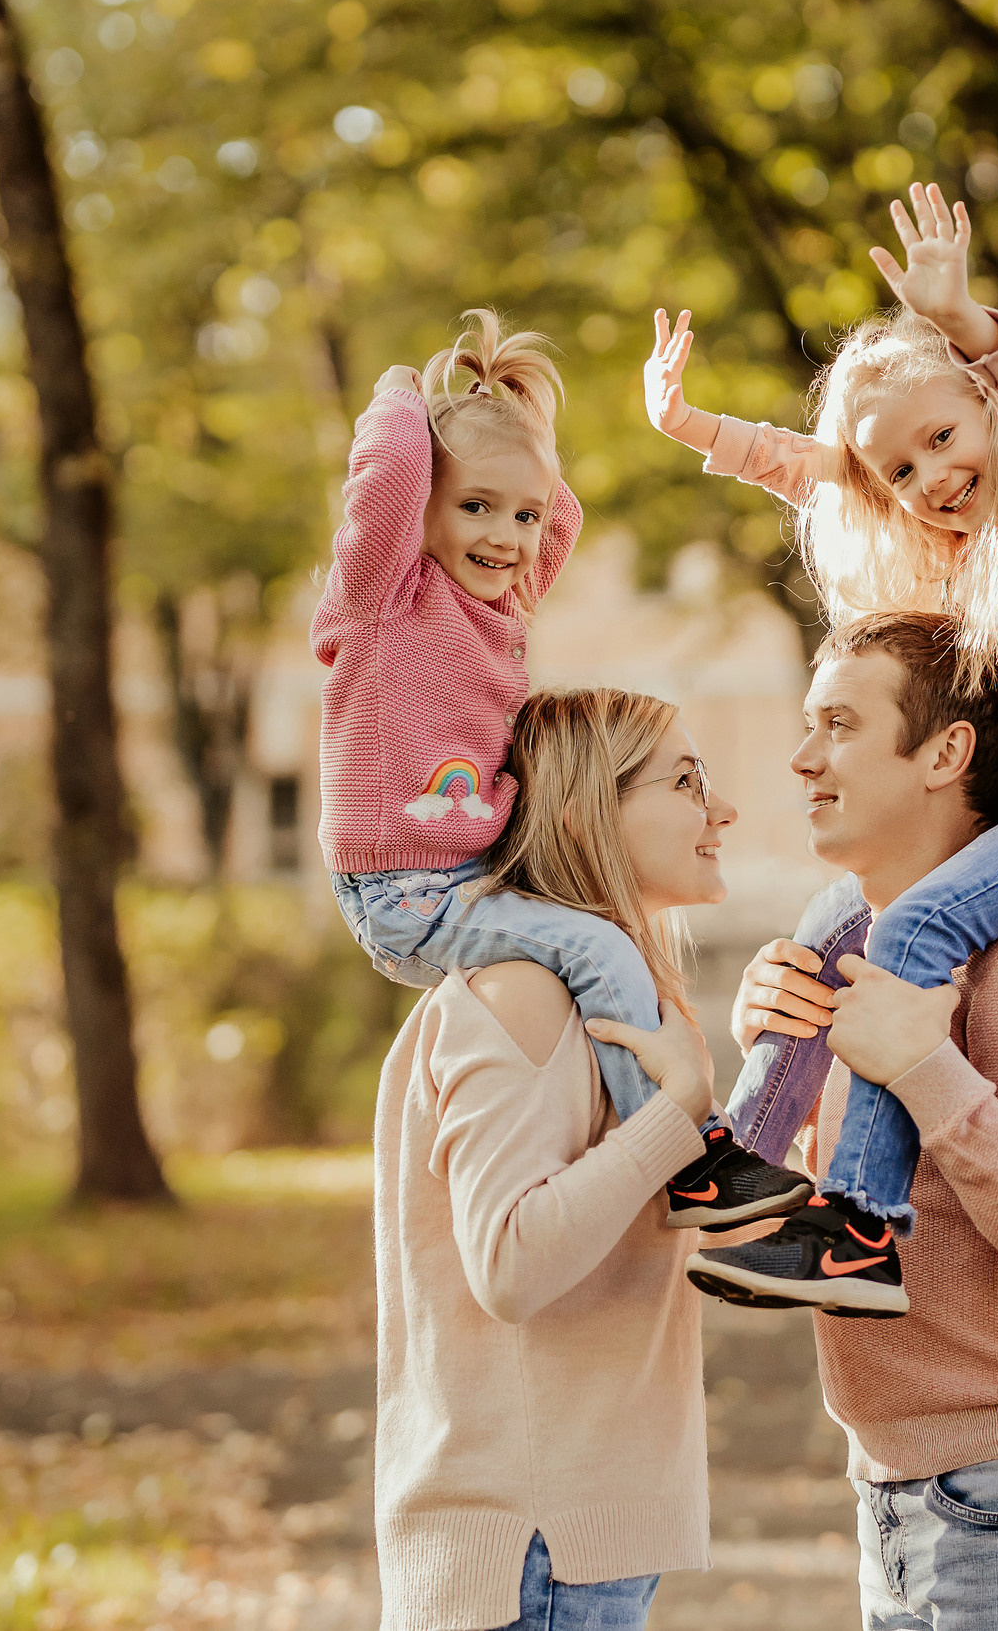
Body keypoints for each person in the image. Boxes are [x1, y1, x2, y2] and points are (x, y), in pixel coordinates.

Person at [645, 185, 998, 1309]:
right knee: (829, 923)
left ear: (984, 414)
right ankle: (749, 1166)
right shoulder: (953, 546)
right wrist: (696, 431)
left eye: (942, 439)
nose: (928, 480)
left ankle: (860, 1224)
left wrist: (968, 326)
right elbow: (827, 474)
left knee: (916, 921)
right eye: (902, 472)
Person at [713, 612, 998, 1630]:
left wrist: (925, 1069)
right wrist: (781, 1060)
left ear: (945, 751)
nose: (802, 760)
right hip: (916, 1494)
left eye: (839, 725)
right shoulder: (868, 958)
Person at [317, 308, 806, 1232]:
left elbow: (563, 511)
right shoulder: (384, 597)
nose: (506, 538)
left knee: (610, 935)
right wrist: (402, 398)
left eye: (522, 516)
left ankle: (669, 1129)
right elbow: (383, 482)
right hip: (402, 888)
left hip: (467, 869)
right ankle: (687, 1158)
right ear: (421, 503)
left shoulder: (502, 605)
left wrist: (519, 427)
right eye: (474, 507)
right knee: (595, 947)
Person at [372, 686, 745, 1631]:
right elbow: (511, 1260)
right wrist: (673, 1118)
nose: (722, 810)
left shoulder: (594, 1001)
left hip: (567, 1548)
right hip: (531, 1554)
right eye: (686, 781)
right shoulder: (523, 992)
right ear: (587, 807)